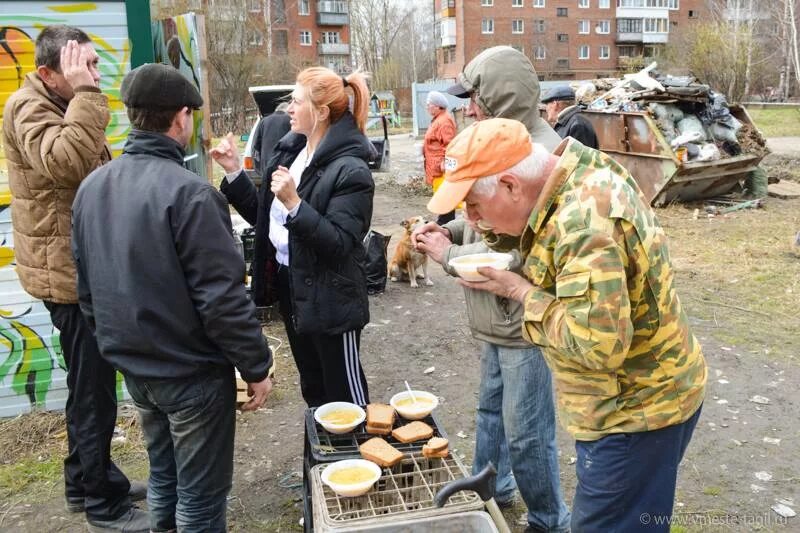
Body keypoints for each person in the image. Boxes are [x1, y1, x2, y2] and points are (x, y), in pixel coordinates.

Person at [427, 117, 708, 532]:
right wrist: (500, 239)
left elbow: (596, 345)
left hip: (635, 412)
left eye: (474, 204)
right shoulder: (569, 175)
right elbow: (541, 228)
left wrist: (520, 292)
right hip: (643, 396)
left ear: (509, 185)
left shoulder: (583, 223)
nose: (471, 218)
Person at [71, 63, 274, 533]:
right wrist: (256, 366)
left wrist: (115, 346)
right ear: (181, 117)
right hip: (190, 376)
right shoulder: (193, 195)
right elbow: (222, 300)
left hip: (137, 369)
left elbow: (86, 291)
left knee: (164, 475)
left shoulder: (92, 187)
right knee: (200, 501)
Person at [417, 46, 569, 533]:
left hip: (523, 321)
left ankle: (549, 520)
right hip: (495, 317)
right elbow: (486, 229)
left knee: (528, 434)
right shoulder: (491, 145)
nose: (468, 108)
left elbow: (517, 259)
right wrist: (451, 234)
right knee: (489, 412)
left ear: (500, 100)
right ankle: (494, 488)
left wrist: (447, 256)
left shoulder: (537, 157)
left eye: (475, 99)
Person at [2, 25, 147, 531]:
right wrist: (86, 95)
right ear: (48, 72)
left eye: (92, 65)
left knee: (90, 385)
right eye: (82, 65)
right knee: (93, 392)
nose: (93, 76)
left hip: (74, 266)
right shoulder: (28, 106)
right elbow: (65, 163)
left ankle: (87, 481)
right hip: (64, 276)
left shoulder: (59, 103)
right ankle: (103, 506)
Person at [211, 67, 374, 408]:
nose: (288, 109)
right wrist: (233, 172)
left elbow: (341, 243)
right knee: (313, 387)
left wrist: (295, 204)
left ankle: (356, 456)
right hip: (293, 286)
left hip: (333, 297)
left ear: (322, 112)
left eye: (297, 102)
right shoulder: (293, 153)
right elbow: (265, 215)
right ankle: (321, 458)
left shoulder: (350, 169)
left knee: (345, 396)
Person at [422, 91, 457, 225]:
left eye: (429, 104)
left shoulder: (444, 121)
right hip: (436, 169)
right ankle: (445, 225)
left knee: (445, 202)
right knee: (444, 202)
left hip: (441, 170)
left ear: (438, 106)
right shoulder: (438, 120)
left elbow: (450, 144)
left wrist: (444, 162)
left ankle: (444, 227)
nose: (427, 107)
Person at [251, 101, 291, 179]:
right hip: (285, 169)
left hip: (266, 169)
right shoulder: (291, 121)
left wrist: (259, 170)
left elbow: (255, 147)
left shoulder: (263, 122)